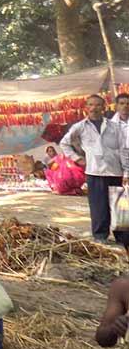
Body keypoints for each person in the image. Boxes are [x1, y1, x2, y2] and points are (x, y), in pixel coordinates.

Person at [60, 94, 129, 244]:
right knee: (98, 207)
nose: (94, 108)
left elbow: (124, 150)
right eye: (91, 105)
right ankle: (100, 236)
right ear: (86, 108)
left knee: (120, 207)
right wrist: (77, 158)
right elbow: (64, 143)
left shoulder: (114, 127)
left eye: (98, 105)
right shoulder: (80, 127)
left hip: (115, 171)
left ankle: (123, 239)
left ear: (104, 108)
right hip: (94, 172)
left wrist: (126, 172)